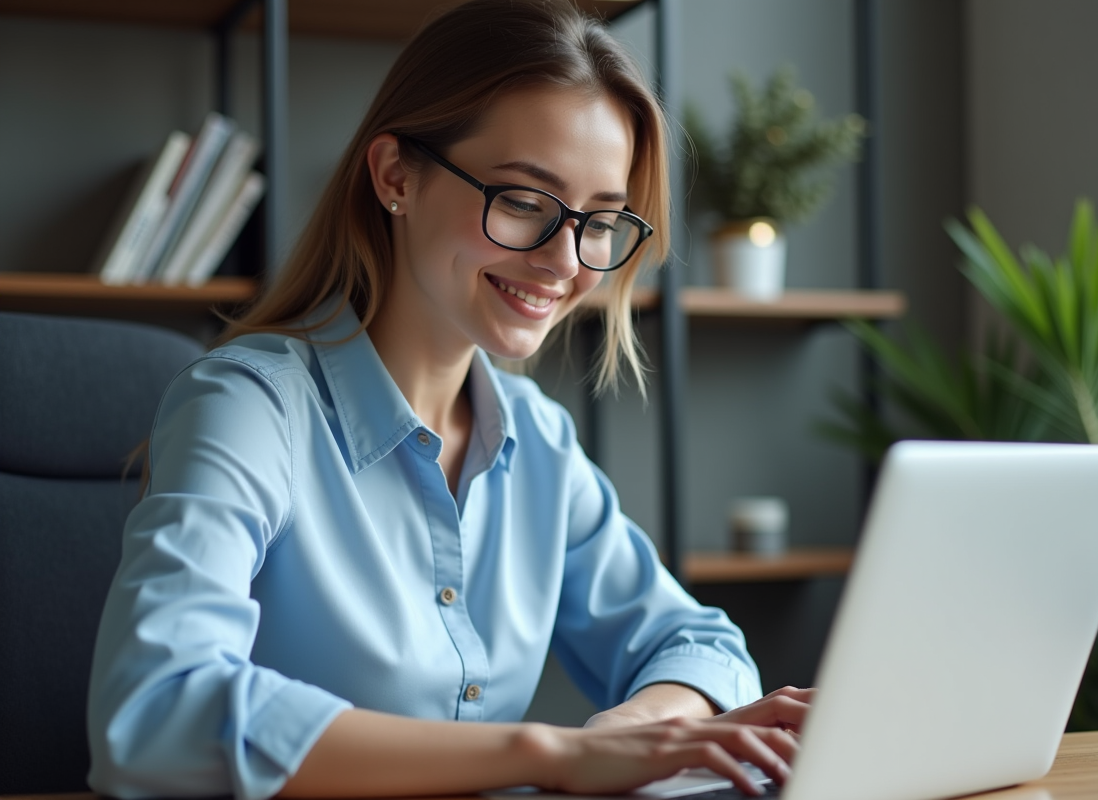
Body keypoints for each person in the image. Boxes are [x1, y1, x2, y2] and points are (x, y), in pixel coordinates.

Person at [86, 1, 813, 798]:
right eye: (525, 202)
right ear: (396, 176)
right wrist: (550, 757)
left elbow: (694, 641)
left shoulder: (536, 439)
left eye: (600, 220)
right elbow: (157, 709)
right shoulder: (250, 407)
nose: (565, 261)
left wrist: (632, 736)